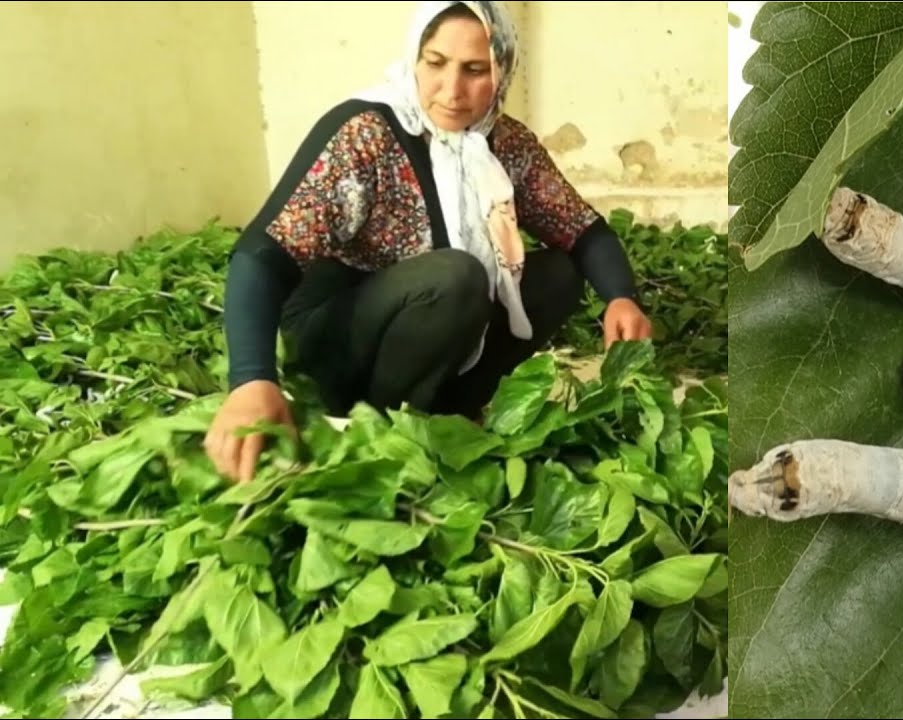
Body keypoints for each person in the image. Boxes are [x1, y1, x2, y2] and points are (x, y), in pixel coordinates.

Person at [203, 0, 653, 484]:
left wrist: (620, 296)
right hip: (337, 334)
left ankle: (450, 408)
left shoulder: (503, 144)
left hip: (435, 324)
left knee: (560, 273)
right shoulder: (367, 132)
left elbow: (582, 229)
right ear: (415, 58)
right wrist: (251, 379)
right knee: (455, 276)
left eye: (475, 70)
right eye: (435, 64)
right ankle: (382, 425)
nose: (452, 91)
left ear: (502, 71)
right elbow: (262, 255)